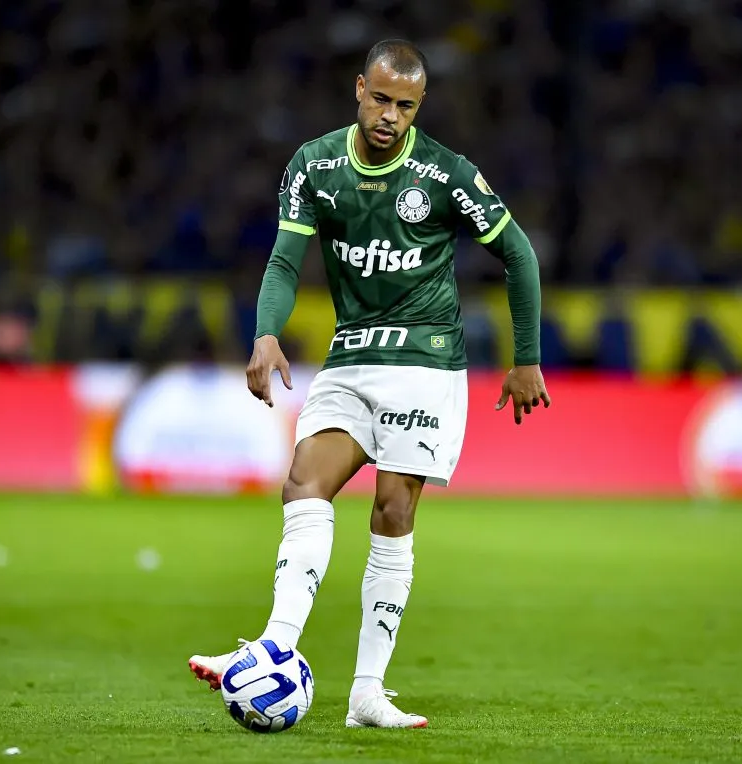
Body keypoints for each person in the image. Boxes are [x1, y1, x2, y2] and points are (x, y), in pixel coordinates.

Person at [189, 39, 550, 729]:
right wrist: (267, 333)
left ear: (419, 107)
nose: (390, 116)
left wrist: (525, 357)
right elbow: (285, 261)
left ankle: (366, 694)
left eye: (405, 106)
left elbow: (518, 253)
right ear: (359, 88)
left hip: (425, 361)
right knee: (304, 481)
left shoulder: (445, 176)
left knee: (391, 509)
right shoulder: (315, 166)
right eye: (381, 99)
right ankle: (274, 646)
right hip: (351, 358)